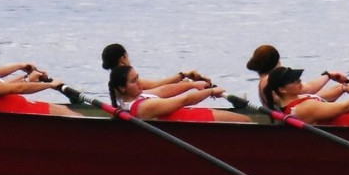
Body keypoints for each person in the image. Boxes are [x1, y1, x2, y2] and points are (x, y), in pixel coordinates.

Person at [0, 40, 79, 116]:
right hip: (26, 114)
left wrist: (28, 76)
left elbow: (6, 86)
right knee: (71, 115)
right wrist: (50, 85)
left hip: (29, 108)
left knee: (66, 110)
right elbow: (19, 88)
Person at [108, 65, 251, 123]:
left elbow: (164, 91)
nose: (139, 82)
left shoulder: (137, 97)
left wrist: (193, 85)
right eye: (134, 81)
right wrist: (211, 91)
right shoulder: (143, 107)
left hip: (192, 116)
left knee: (246, 120)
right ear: (122, 88)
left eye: (138, 77)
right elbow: (184, 100)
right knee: (247, 122)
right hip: (196, 122)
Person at [246, 44, 349, 111]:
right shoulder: (270, 80)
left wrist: (341, 87)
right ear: (276, 62)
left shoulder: (264, 80)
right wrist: (329, 76)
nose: (298, 82)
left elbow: (313, 96)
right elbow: (308, 89)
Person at [101, 43, 211, 94]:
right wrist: (187, 83)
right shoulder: (126, 82)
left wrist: (183, 77)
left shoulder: (117, 81)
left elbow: (157, 85)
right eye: (128, 56)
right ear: (123, 58)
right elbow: (158, 89)